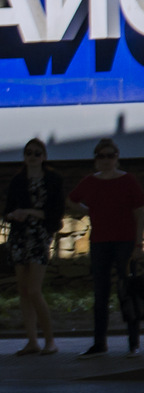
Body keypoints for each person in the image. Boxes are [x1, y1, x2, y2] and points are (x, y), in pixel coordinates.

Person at [68, 138, 144, 358]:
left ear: (117, 158)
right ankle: (99, 342)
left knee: (127, 291)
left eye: (110, 155)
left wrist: (138, 243)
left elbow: (140, 211)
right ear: (96, 159)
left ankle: (133, 342)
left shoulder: (127, 181)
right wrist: (86, 210)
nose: (106, 160)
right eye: (102, 156)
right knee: (100, 293)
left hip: (125, 241)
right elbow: (71, 199)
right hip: (100, 241)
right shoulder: (90, 182)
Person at [4, 138, 64, 356]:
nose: (33, 156)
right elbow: (8, 210)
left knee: (34, 290)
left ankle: (50, 340)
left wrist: (28, 212)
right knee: (23, 290)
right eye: (29, 152)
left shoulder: (53, 180)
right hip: (20, 236)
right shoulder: (18, 180)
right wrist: (14, 215)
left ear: (44, 156)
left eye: (37, 153)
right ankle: (32, 340)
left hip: (39, 236)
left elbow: (55, 213)